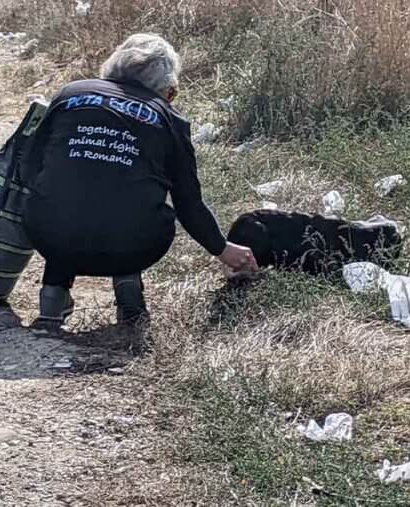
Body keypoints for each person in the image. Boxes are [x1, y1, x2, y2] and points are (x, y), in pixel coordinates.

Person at [21, 33, 258, 331]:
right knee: (126, 207)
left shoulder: (71, 94)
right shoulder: (170, 119)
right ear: (167, 89)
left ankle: (52, 297)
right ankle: (129, 294)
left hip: (47, 234)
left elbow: (28, 163)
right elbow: (189, 204)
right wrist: (223, 249)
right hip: (133, 247)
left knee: (69, 201)